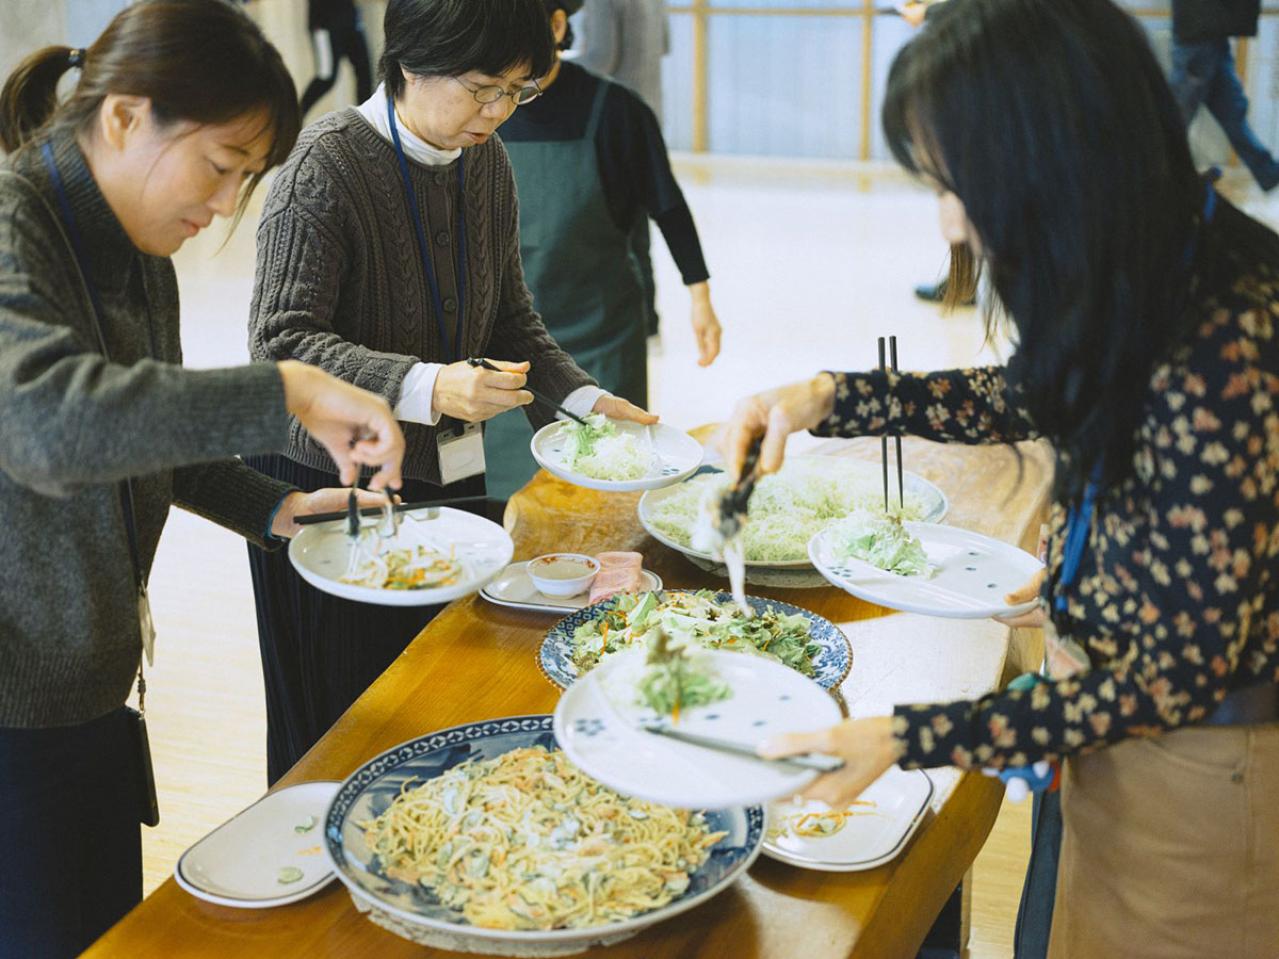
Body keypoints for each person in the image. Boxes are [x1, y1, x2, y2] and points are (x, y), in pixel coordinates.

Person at [720, 1, 1278, 956]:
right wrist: (823, 396)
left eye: (956, 181)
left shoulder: (1228, 339)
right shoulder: (1152, 256)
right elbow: (1037, 392)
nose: (951, 218)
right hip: (1115, 735)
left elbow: (1174, 681)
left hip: (1199, 776)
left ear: (1054, 151)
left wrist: (903, 738)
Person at [0, 2, 405, 956]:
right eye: (221, 167)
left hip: (92, 688)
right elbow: (52, 424)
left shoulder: (136, 245)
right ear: (126, 117)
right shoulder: (15, 231)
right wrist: (287, 389)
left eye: (246, 178)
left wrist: (275, 504)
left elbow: (149, 431)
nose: (226, 206)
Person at [246, 0, 655, 784]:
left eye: (518, 91)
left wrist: (583, 402)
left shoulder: (484, 161)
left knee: (432, 697)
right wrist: (430, 383)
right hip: (326, 488)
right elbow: (281, 343)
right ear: (408, 60)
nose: (498, 111)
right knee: (341, 725)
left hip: (442, 475)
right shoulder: (324, 165)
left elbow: (509, 317)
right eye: (481, 88)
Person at [482, 0, 721, 500]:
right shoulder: (483, 115)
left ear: (557, 24)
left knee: (610, 482)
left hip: (602, 337)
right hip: (506, 348)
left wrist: (700, 298)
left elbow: (668, 206)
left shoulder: (616, 111)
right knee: (510, 498)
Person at [568, 0, 670, 336]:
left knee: (617, 226)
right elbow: (665, 45)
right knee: (638, 225)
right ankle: (647, 315)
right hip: (649, 111)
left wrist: (553, 67)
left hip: (611, 121)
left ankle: (633, 316)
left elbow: (601, 58)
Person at [1169, 0, 1279, 191]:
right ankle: (1153, 180)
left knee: (1232, 114)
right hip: (1199, 33)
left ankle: (1268, 172)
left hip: (1211, 33)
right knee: (1175, 121)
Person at [299, 0, 375, 121]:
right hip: (324, 23)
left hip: (349, 18)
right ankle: (295, 116)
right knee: (326, 77)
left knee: (364, 73)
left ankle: (366, 122)